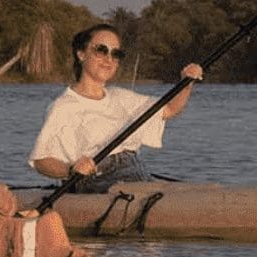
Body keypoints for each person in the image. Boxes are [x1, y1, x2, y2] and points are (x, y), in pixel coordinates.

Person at [29, 23, 203, 192]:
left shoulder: (121, 97)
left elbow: (170, 109)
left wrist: (186, 82)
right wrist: (70, 169)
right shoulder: (63, 106)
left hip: (135, 171)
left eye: (116, 53)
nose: (108, 59)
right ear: (81, 54)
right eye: (101, 50)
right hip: (96, 178)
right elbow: (41, 160)